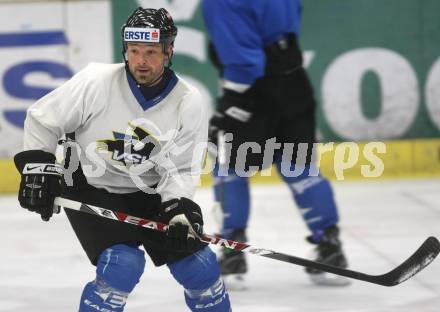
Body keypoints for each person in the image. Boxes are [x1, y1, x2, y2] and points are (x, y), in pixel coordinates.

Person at [13, 7, 232, 312]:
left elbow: (181, 166)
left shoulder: (187, 101)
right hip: (90, 186)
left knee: (201, 267)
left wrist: (178, 210)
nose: (141, 61)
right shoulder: (95, 82)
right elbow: (42, 120)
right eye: (134, 50)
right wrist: (38, 171)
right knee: (122, 265)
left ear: (168, 51)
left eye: (151, 52)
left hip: (149, 191)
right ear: (125, 50)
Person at [202, 0, 349, 288]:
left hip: (252, 90)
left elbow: (244, 58)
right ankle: (330, 249)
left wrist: (232, 101)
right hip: (294, 80)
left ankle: (232, 258)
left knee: (230, 166)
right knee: (299, 167)